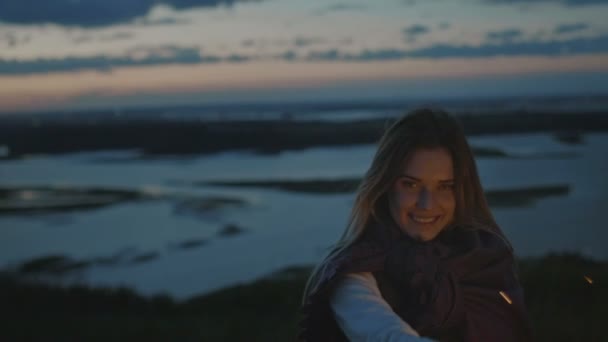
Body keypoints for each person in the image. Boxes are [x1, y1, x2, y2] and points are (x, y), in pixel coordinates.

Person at [299, 108, 533, 341]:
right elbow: (384, 333)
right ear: (386, 185)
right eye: (410, 185)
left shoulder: (485, 262)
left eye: (445, 186)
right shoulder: (354, 275)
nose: (427, 204)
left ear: (461, 191)